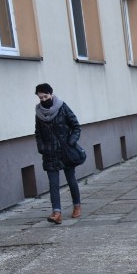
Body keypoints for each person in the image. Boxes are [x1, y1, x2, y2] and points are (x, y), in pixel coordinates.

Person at [34, 83, 82, 224]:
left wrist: (71, 142)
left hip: (65, 150)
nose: (43, 100)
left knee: (71, 180)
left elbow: (76, 126)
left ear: (51, 94)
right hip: (49, 153)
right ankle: (56, 213)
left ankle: (77, 206)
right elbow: (38, 133)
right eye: (40, 97)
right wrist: (41, 147)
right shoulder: (39, 112)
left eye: (45, 96)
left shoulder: (62, 107)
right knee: (53, 183)